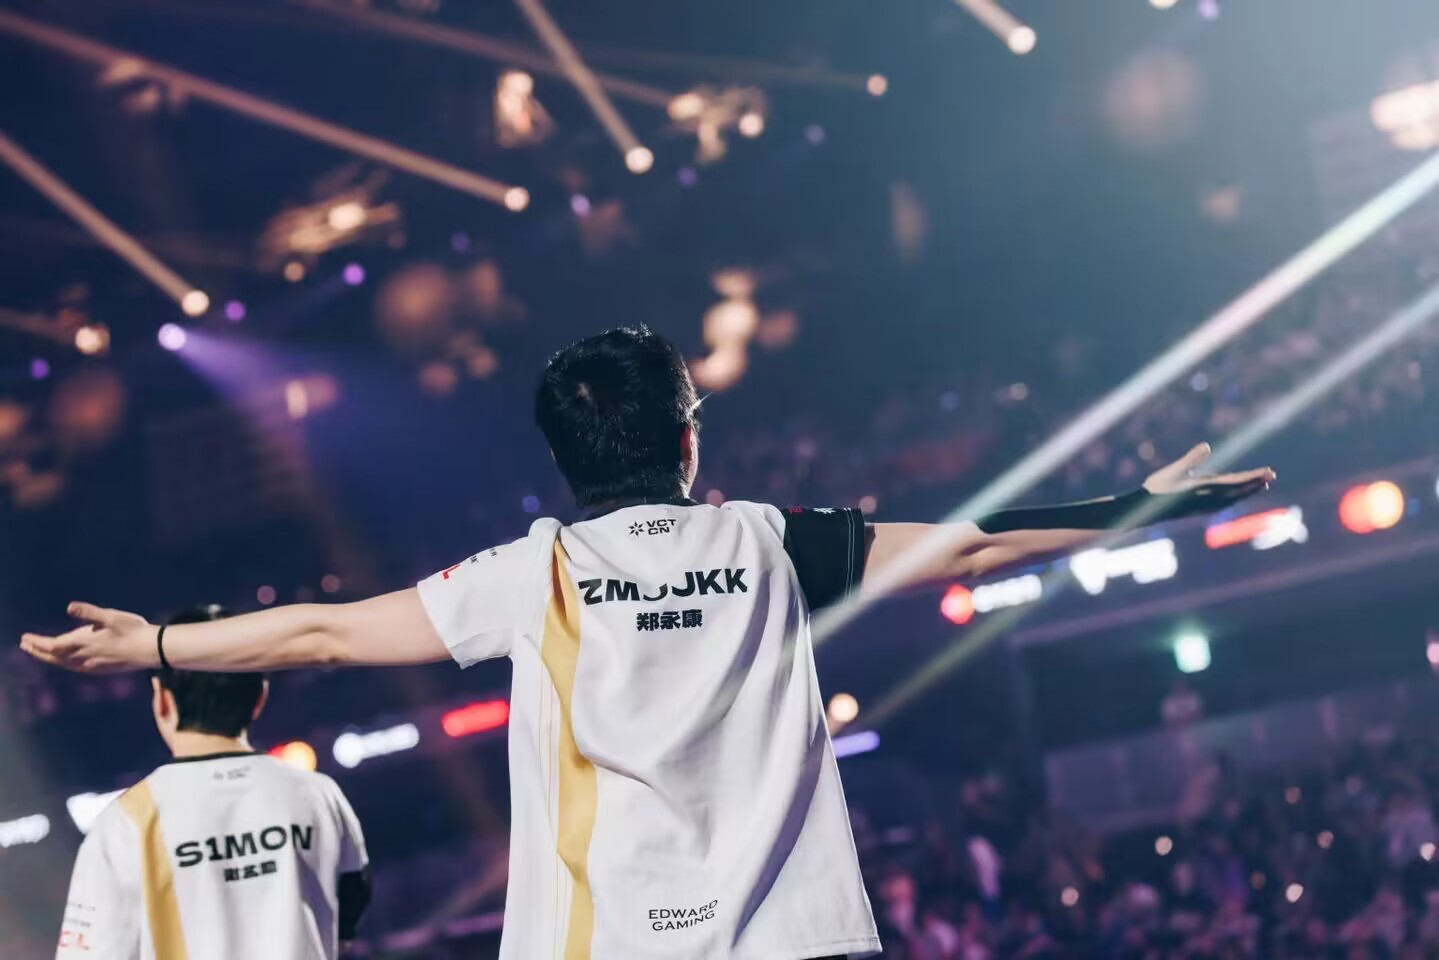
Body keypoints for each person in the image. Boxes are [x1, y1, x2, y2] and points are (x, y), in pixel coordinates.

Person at [23, 327, 1274, 960]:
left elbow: (325, 632)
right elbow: (969, 547)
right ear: (685, 442)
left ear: (564, 461)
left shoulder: (534, 573)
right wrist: (1138, 506)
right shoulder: (768, 542)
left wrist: (157, 644)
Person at [53, 605, 370, 960]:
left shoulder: (126, 822)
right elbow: (347, 920)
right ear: (259, 698)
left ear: (162, 698)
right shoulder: (317, 794)